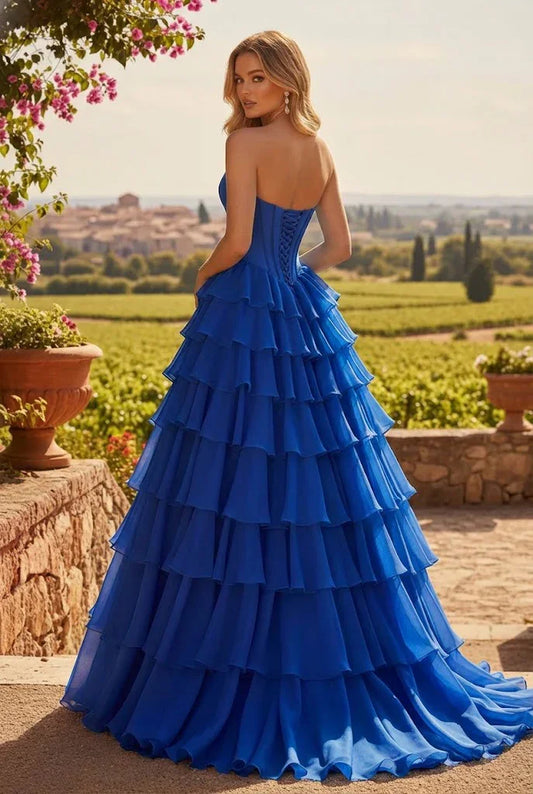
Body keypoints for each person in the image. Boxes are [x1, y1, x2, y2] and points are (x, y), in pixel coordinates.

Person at [60, 30, 533, 782]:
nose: (244, 92)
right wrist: (296, 278)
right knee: (314, 486)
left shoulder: (244, 147)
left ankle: (225, 671)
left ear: (284, 80)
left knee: (225, 481)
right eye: (238, 79)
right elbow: (338, 245)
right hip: (302, 315)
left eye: (255, 79)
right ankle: (334, 658)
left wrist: (202, 274)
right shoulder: (320, 148)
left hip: (244, 315)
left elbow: (236, 239)